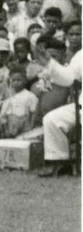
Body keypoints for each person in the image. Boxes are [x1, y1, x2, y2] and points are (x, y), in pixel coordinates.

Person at [36, 37, 82, 177]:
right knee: (52, 119)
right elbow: (68, 78)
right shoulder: (81, 55)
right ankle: (59, 163)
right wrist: (50, 62)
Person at [0, 69, 38, 138]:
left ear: (25, 81)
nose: (16, 83)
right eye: (14, 80)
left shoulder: (30, 96)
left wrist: (31, 125)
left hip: (24, 123)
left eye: (19, 80)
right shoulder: (8, 96)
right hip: (10, 123)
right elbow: (3, 114)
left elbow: (33, 112)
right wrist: (5, 127)